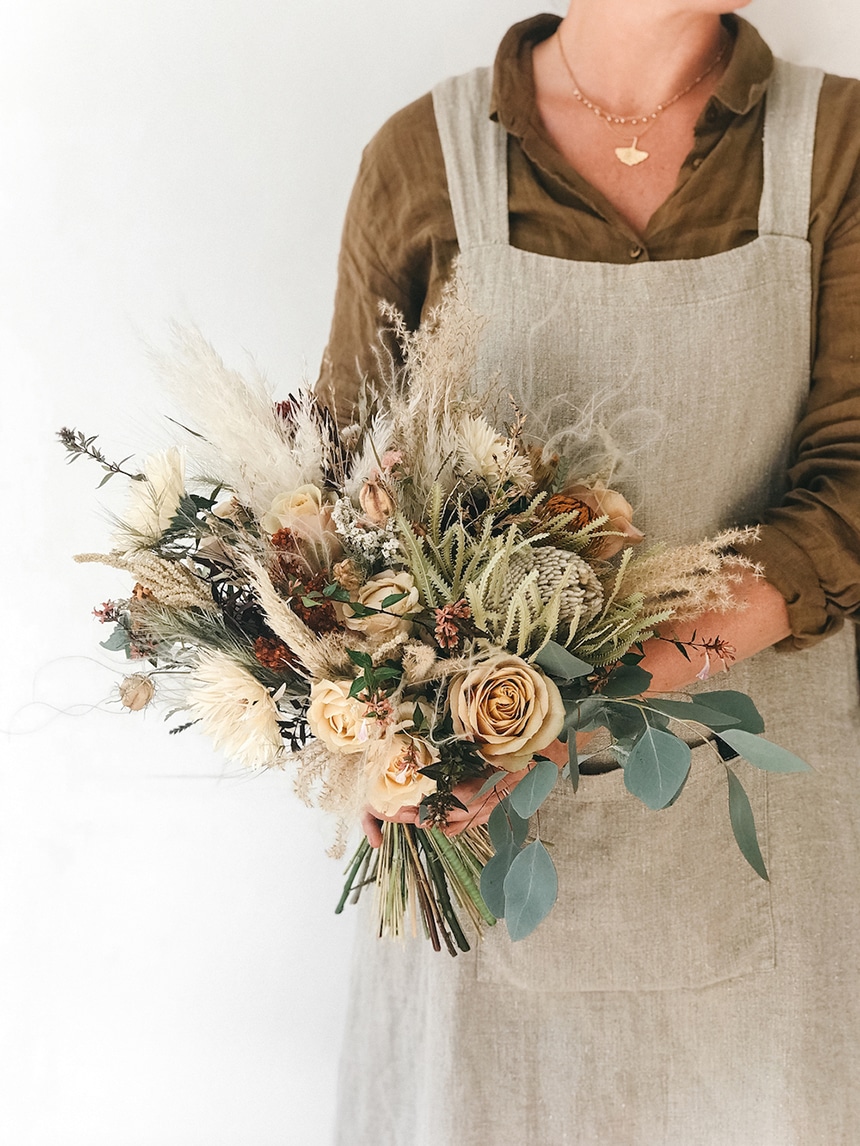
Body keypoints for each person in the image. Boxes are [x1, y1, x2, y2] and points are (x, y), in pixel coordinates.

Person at [317, 4, 860, 1142]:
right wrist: (368, 723)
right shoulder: (425, 156)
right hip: (468, 819)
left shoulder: (834, 147)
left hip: (764, 804)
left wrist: (597, 690)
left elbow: (852, 479)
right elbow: (335, 505)